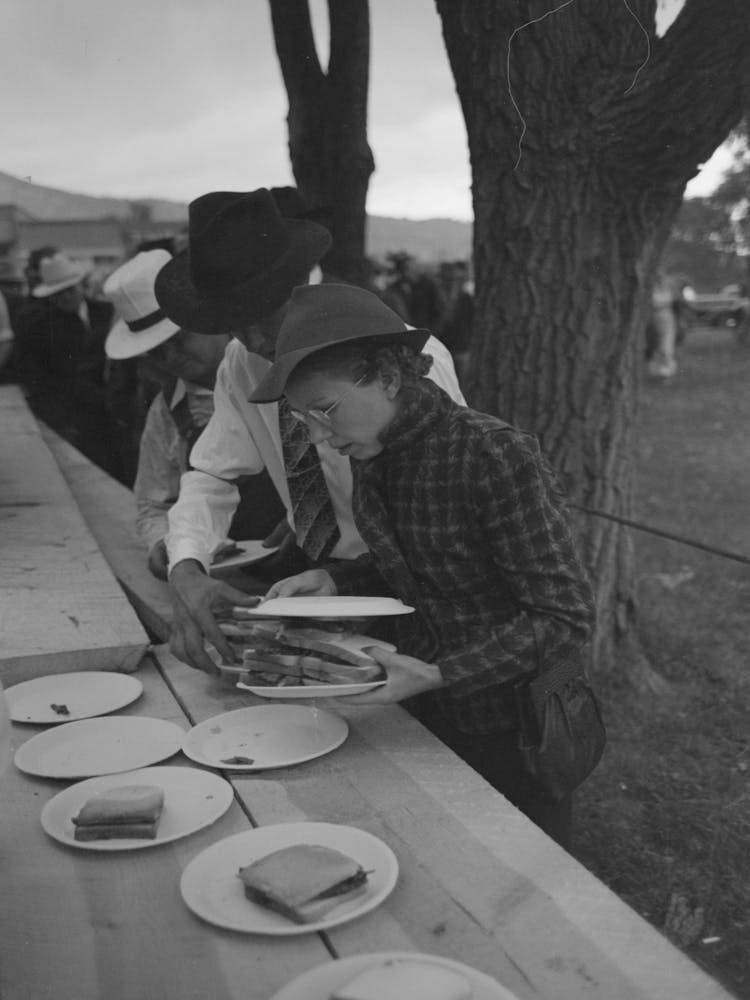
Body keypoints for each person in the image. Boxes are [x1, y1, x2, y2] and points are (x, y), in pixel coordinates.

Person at [251, 282, 595, 848]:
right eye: (301, 420)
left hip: (520, 726)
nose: (317, 435)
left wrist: (441, 673)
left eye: (325, 410)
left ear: (388, 376)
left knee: (533, 872)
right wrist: (338, 578)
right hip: (425, 711)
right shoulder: (373, 450)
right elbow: (413, 567)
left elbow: (564, 617)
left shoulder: (493, 454)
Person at [152, 187, 466, 673]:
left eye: (262, 318)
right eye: (233, 326)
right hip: (316, 581)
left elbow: (452, 521)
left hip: (416, 593)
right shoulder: (242, 362)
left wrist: (356, 581)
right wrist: (187, 567)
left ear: (300, 283)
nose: (254, 342)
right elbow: (213, 473)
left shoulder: (404, 360)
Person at [102, 249, 284, 579]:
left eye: (180, 339)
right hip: (227, 575)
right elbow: (154, 502)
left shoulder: (268, 367)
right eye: (157, 351)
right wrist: (164, 543)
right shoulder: (166, 412)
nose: (171, 356)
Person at [14, 253, 124, 480]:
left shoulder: (106, 312)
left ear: (81, 286)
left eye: (70, 290)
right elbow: (37, 377)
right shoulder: (41, 326)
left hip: (112, 405)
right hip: (72, 411)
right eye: (58, 294)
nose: (66, 297)